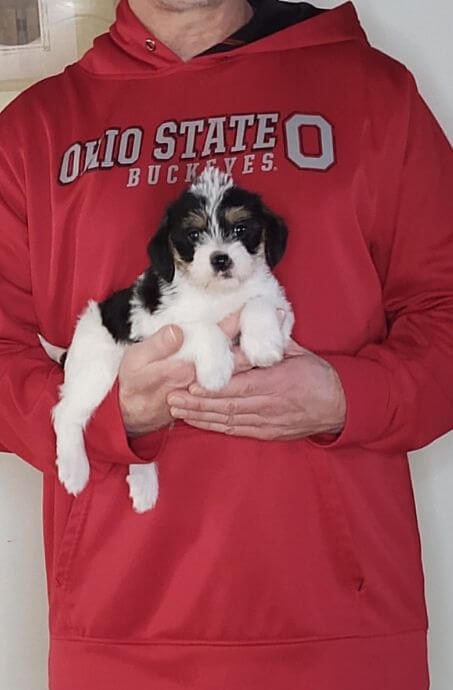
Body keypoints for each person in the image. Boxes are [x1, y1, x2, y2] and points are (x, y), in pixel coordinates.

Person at [0, 0, 452, 688]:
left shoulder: (371, 94)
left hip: (340, 631)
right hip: (120, 632)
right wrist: (103, 414)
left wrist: (347, 397)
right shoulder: (35, 129)